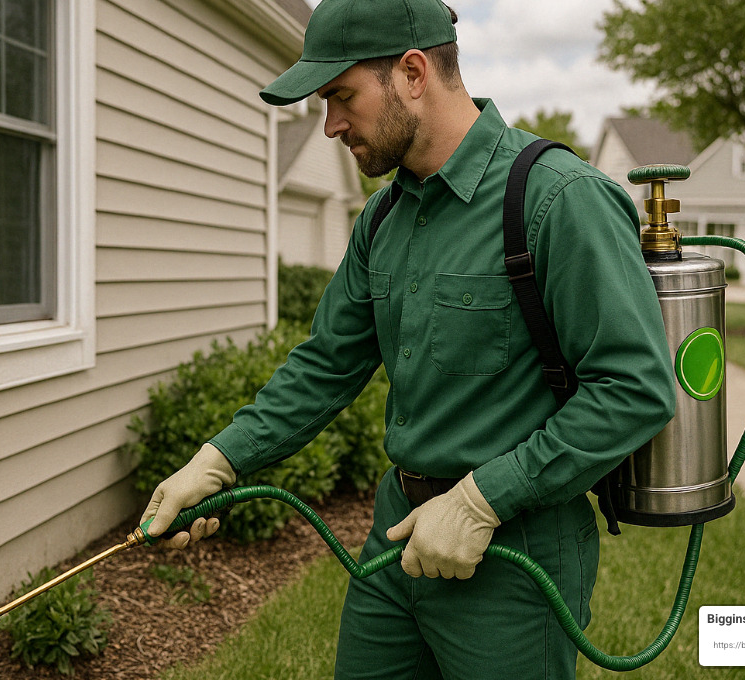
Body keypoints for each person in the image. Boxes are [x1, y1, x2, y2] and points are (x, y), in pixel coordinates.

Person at [140, 0, 675, 677]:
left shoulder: (556, 198)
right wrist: (217, 461)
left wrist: (483, 500)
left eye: (340, 96)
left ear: (414, 73)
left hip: (515, 551)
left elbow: (634, 390)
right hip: (395, 542)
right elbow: (327, 364)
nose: (330, 125)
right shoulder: (383, 218)